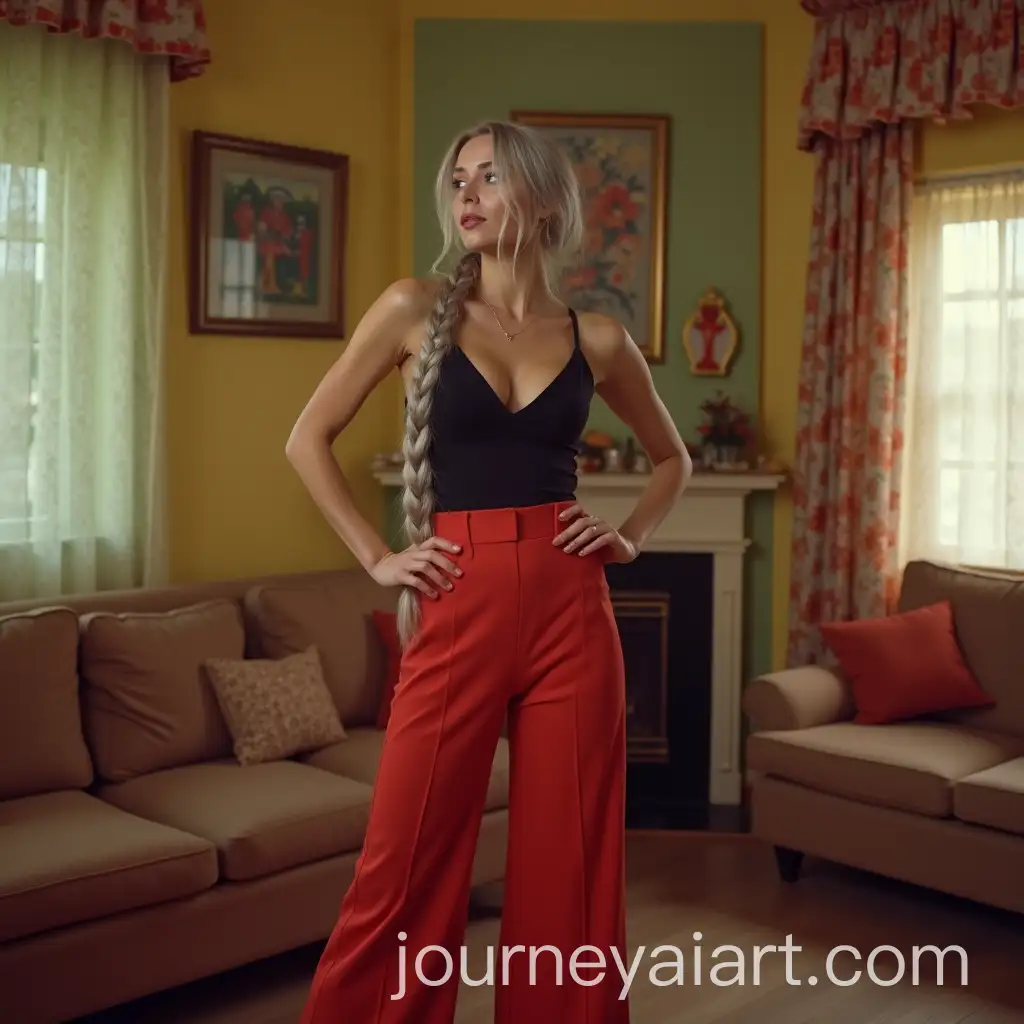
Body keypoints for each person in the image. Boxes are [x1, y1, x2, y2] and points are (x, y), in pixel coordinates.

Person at [285, 119, 691, 1024]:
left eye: (491, 178)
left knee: (571, 875)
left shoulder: (600, 338)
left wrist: (627, 539)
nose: (466, 194)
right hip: (454, 600)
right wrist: (380, 557)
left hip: (571, 613)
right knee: (404, 866)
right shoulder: (409, 308)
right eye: (458, 179)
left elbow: (674, 460)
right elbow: (306, 438)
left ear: (543, 200)